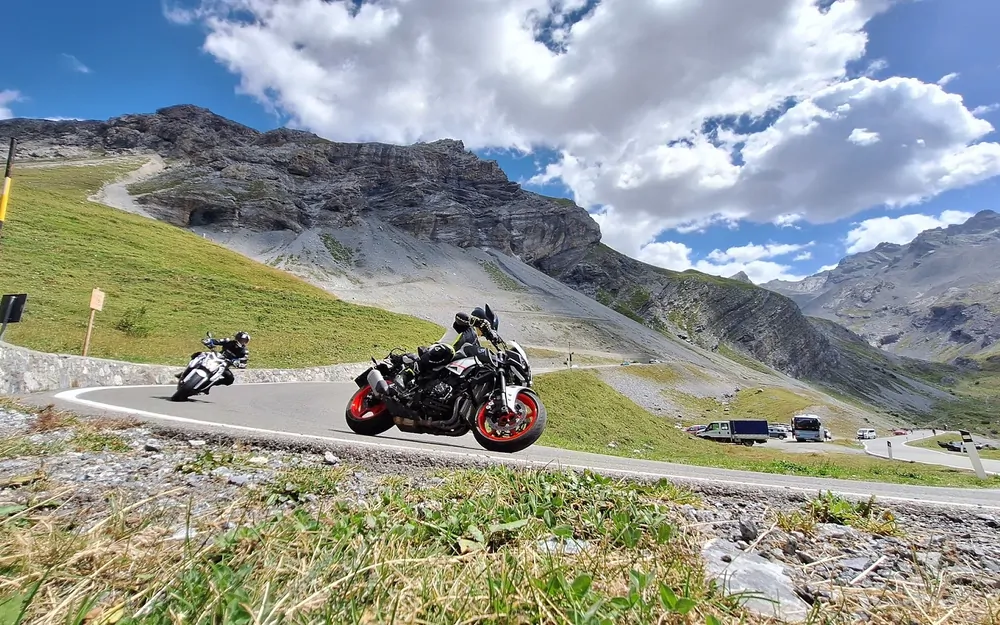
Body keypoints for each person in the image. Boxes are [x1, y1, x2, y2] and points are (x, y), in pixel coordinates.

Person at [175, 331, 250, 392]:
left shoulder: (244, 351)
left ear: (246, 342)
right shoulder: (228, 341)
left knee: (230, 379)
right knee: (198, 354)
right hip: (216, 357)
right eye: (240, 339)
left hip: (224, 365)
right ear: (236, 337)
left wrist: (238, 364)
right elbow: (215, 341)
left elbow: (244, 363)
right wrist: (208, 341)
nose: (241, 341)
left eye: (243, 340)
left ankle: (209, 385)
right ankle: (185, 372)